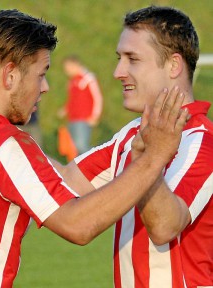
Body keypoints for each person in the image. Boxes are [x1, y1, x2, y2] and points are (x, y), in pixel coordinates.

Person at [0, 7, 188, 288]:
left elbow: (55, 180)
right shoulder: (4, 144)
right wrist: (154, 157)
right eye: (40, 73)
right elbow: (78, 224)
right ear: (10, 76)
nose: (44, 87)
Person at [53, 6, 213, 288]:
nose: (118, 72)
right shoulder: (131, 133)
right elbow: (63, 181)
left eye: (132, 59)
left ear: (174, 66)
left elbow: (166, 226)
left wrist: (147, 158)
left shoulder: (202, 142)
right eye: (119, 58)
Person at [58, 55, 103, 155]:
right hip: (72, 118)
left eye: (68, 68)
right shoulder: (72, 81)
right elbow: (72, 99)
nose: (66, 71)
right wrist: (65, 109)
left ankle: (95, 164)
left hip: (84, 118)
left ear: (75, 64)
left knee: (81, 146)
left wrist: (95, 116)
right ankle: (79, 169)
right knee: (74, 149)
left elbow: (97, 97)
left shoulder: (88, 78)